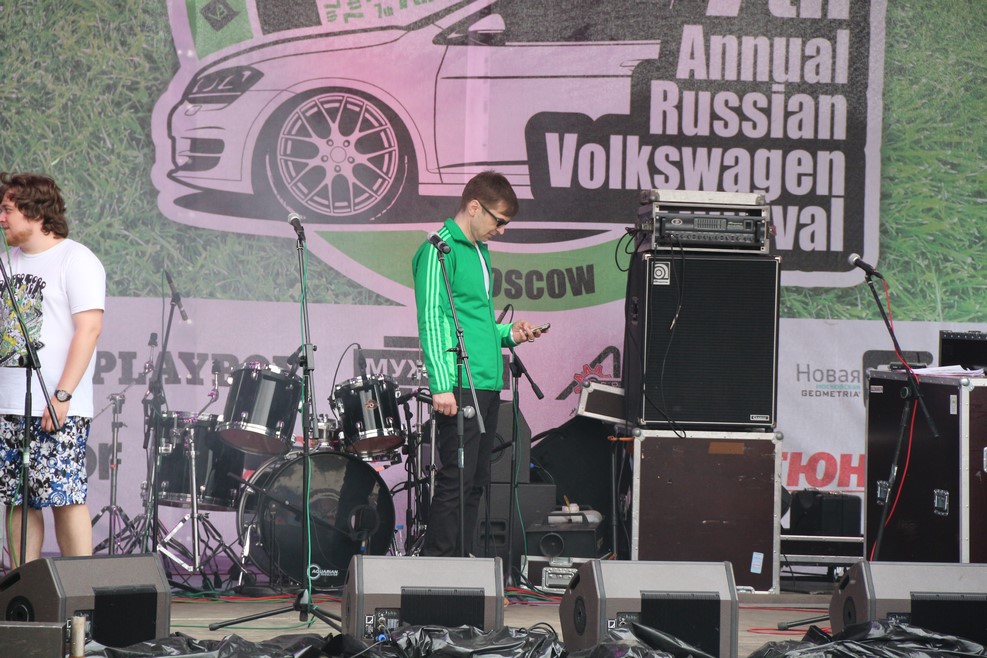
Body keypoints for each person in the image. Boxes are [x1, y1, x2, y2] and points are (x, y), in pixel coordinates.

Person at [412, 170, 545, 557]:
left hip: (486, 381)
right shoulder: (438, 250)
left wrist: (510, 334)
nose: (501, 230)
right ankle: (437, 566)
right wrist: (441, 384)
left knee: (475, 482)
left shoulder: (479, 251)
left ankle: (463, 567)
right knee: (455, 480)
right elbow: (433, 318)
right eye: (498, 220)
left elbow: (475, 320)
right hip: (458, 383)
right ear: (474, 207)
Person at [0, 172, 106, 565]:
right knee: (17, 499)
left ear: (34, 211)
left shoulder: (76, 259)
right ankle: (23, 588)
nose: (1, 218)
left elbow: (89, 328)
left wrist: (63, 395)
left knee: (65, 496)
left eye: (7, 210)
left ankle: (80, 590)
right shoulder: (6, 263)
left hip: (57, 402)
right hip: (9, 402)